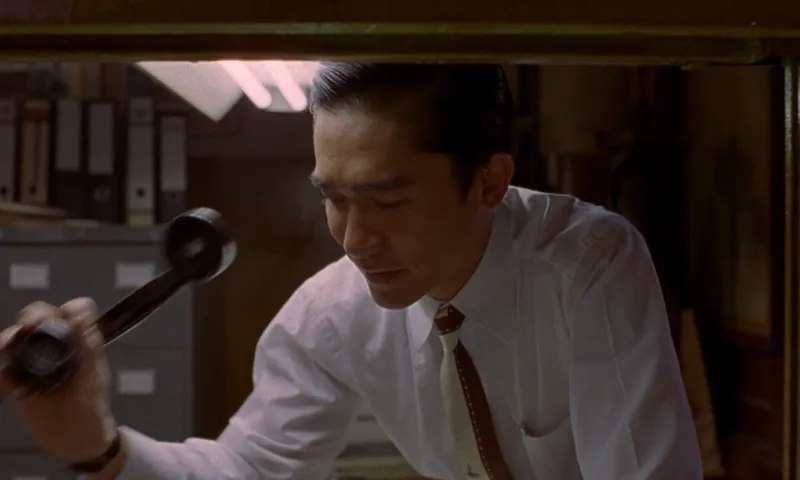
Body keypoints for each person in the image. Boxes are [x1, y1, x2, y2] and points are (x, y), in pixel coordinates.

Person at [0, 63, 702, 480]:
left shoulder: (588, 265)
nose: (355, 241)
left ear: (490, 182)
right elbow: (249, 470)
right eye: (333, 199)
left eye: (388, 201)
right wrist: (100, 448)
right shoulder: (331, 313)